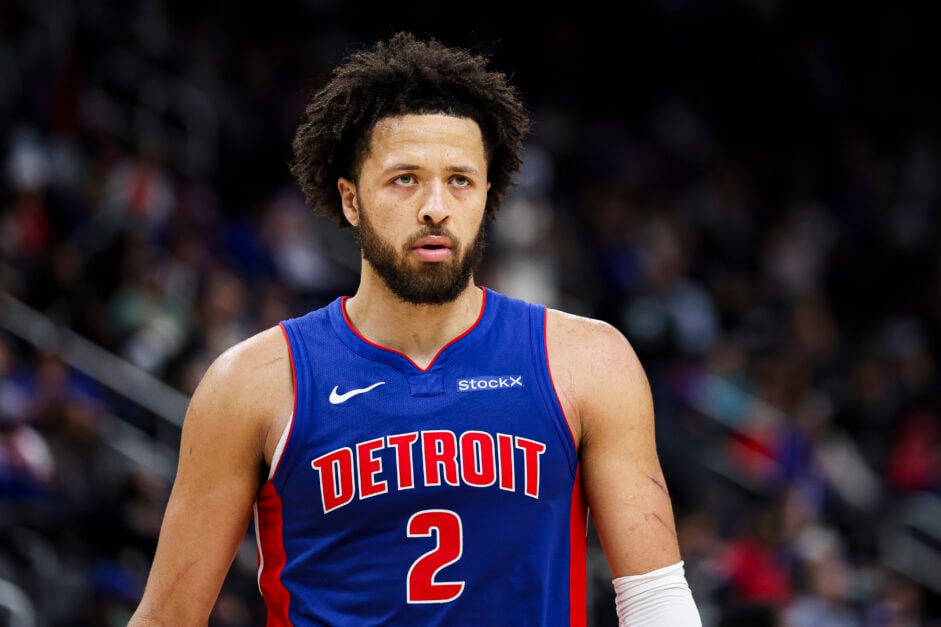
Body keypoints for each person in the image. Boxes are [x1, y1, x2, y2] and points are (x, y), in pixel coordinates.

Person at [129, 32, 701, 626]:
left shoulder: (589, 361)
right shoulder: (251, 383)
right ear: (350, 200)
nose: (435, 206)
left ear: (487, 196)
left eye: (460, 180)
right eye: (405, 178)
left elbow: (655, 601)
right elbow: (167, 617)